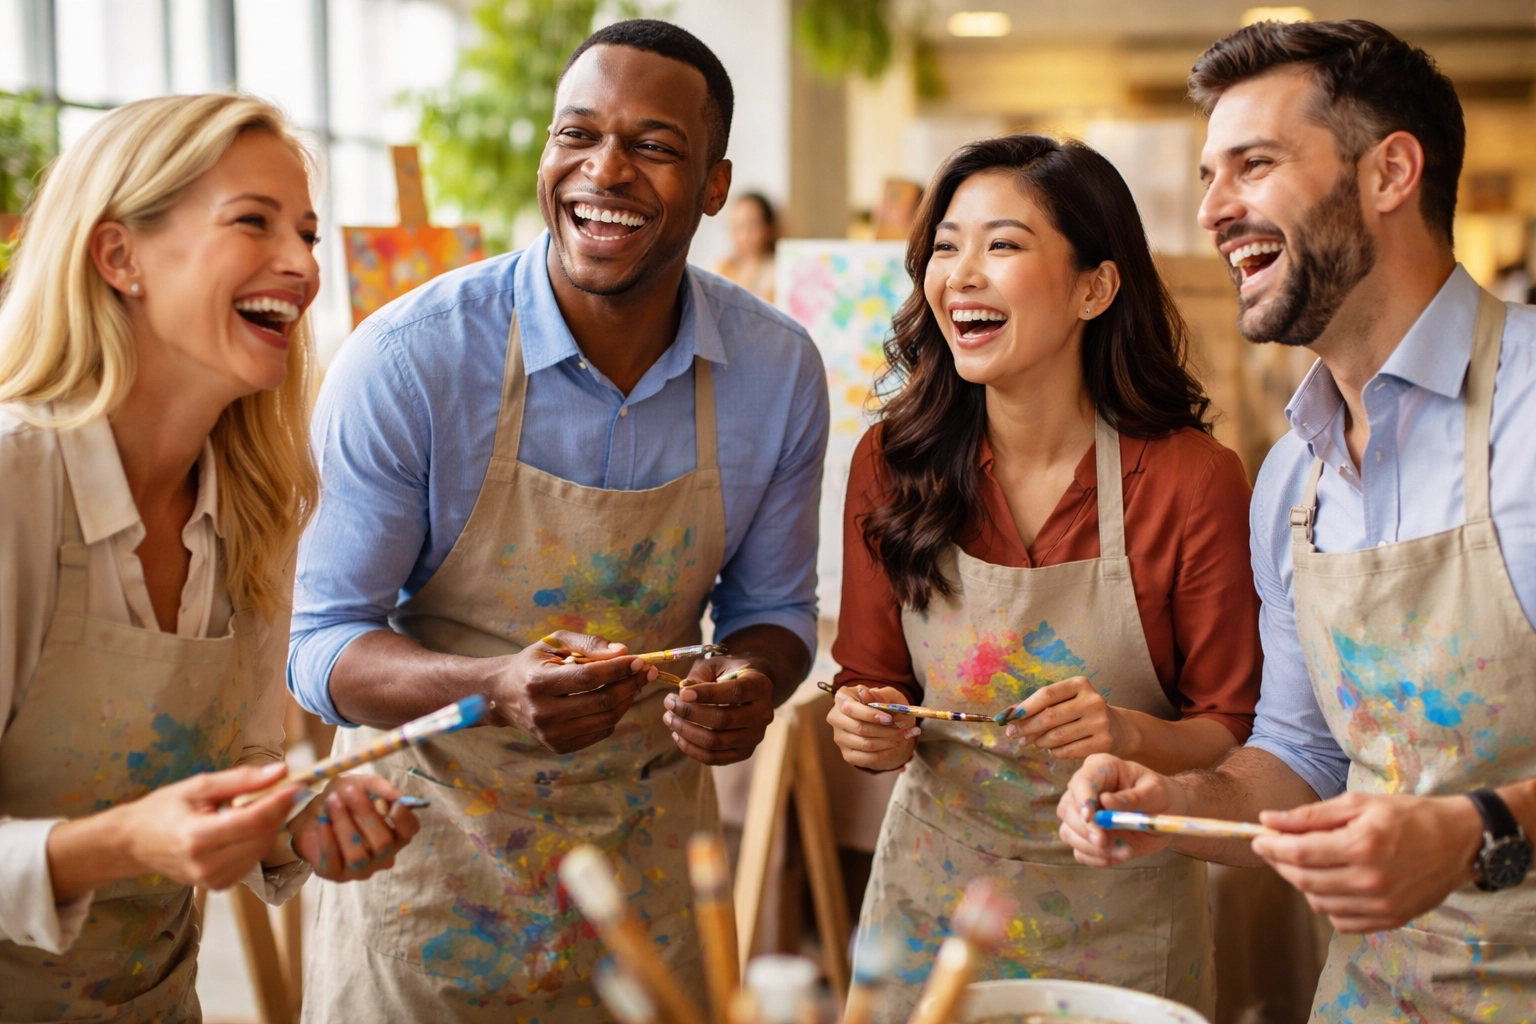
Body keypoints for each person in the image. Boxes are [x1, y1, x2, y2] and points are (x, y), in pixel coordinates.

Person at [288, 20, 828, 1022]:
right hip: (433, 880)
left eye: (654, 145)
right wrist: (491, 685)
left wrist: (750, 679)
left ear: (715, 184)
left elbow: (776, 612)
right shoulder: (409, 360)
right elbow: (320, 647)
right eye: (575, 134)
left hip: (652, 898)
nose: (604, 169)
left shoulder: (777, 369)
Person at [1058, 20, 1536, 1020]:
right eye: (1206, 174)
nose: (1212, 210)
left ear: (1389, 173)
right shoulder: (1289, 480)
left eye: (1254, 165)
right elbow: (1300, 757)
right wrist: (1171, 802)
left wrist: (1474, 830)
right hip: (1372, 993)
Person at [0, 94, 417, 1021]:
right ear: (119, 257)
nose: (304, 265)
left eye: (306, 233)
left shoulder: (261, 501)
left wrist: (308, 816)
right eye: (253, 223)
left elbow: (246, 760)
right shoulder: (12, 482)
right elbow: (148, 832)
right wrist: (124, 844)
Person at [827, 134, 1262, 1017]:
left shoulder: (1192, 480)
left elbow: (1229, 731)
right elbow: (871, 683)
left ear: (1094, 288)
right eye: (946, 246)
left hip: (1123, 914)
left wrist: (1130, 735)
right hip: (931, 909)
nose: (962, 273)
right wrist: (865, 725)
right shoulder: (889, 462)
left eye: (1003, 244)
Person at [714, 191, 778, 302]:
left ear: (768, 227)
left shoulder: (778, 271)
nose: (744, 235)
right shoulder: (720, 268)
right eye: (737, 226)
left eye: (751, 225)